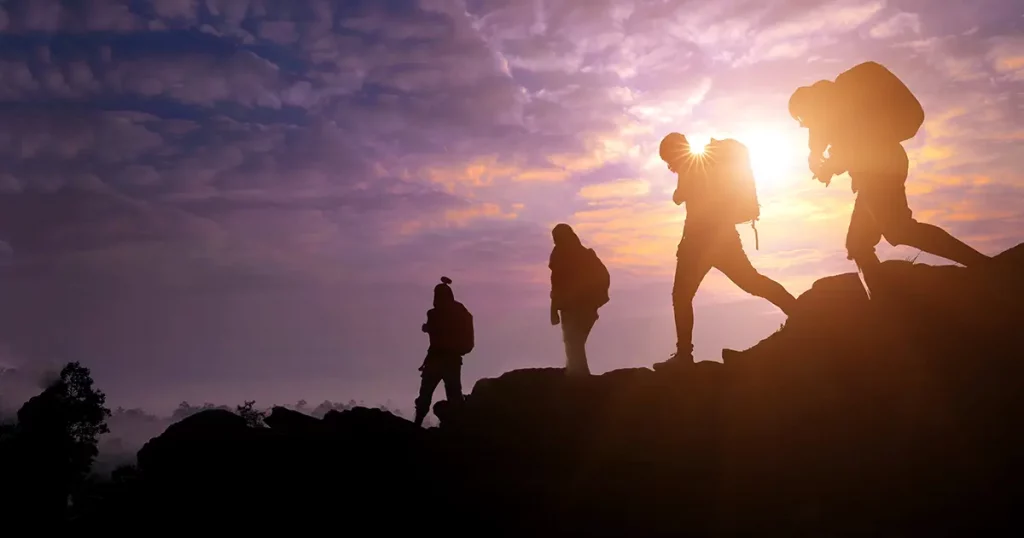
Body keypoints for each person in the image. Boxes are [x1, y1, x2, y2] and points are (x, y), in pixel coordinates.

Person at [788, 61, 991, 292]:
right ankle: (883, 301)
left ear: (808, 108)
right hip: (879, 169)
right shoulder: (834, 104)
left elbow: (852, 145)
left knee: (898, 230)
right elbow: (839, 142)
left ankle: (983, 265)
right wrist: (822, 160)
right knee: (859, 243)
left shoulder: (835, 108)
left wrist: (828, 166)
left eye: (801, 120)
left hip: (878, 172)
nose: (804, 126)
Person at [655, 133, 798, 369]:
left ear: (673, 151)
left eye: (667, 158)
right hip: (724, 237)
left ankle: (684, 356)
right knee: (751, 282)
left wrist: (678, 191)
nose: (668, 163)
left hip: (698, 243)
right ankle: (799, 312)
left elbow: (679, 197)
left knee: (681, 296)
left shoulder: (689, 164)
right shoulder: (707, 161)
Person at [549, 224, 610, 376]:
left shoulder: (577, 256)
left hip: (578, 308)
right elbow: (556, 285)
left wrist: (591, 299)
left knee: (574, 343)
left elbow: (557, 285)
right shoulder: (566, 255)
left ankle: (578, 377)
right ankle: (577, 374)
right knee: (574, 344)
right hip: (573, 308)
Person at [414, 276, 474, 427]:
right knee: (452, 394)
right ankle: (458, 426)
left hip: (439, 359)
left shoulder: (434, 314)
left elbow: (437, 335)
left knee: (427, 394)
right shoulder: (460, 311)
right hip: (449, 360)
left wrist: (428, 328)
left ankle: (418, 424)